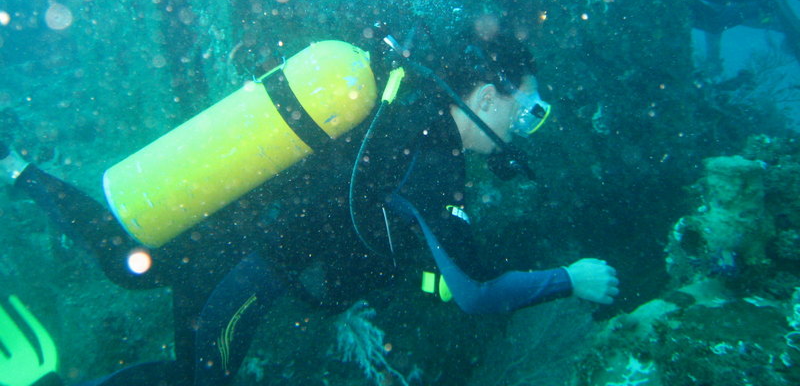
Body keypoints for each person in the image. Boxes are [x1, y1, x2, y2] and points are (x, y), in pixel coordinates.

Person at [0, 26, 619, 385]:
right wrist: (571, 279)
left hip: (228, 224)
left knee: (128, 264)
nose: (523, 129)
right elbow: (476, 294)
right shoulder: (434, 160)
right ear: (486, 99)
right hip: (253, 270)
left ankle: (19, 168)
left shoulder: (399, 102)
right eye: (527, 111)